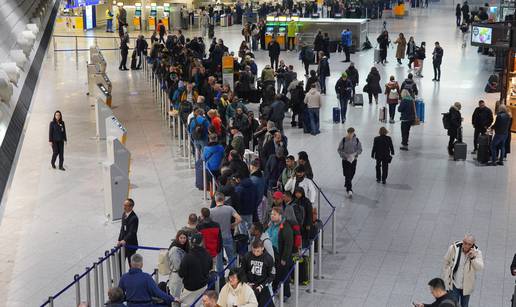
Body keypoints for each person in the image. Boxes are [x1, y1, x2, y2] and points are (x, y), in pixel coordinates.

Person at [442, 235, 484, 307]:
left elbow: (480, 267)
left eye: (469, 244)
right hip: (454, 284)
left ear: (473, 245)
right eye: (465, 243)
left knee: (464, 305)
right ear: (462, 241)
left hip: (467, 286)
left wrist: (473, 258)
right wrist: (446, 276)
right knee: (453, 305)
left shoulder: (477, 253)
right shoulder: (453, 249)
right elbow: (446, 261)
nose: (466, 246)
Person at [210, 192, 241, 275]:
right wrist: (233, 225)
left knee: (219, 259)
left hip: (217, 238)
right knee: (231, 256)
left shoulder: (211, 211)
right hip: (228, 236)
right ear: (223, 200)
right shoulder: (229, 209)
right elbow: (239, 218)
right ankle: (233, 274)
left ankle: (221, 277)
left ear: (215, 200)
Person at [178, 233, 213, 305]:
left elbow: (181, 274)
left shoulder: (187, 257)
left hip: (189, 288)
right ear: (202, 242)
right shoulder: (208, 254)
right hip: (203, 286)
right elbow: (210, 268)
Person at [269, 207, 294, 302]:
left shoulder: (285, 227)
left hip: (282, 256)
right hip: (274, 254)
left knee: (284, 276)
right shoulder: (272, 224)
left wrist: (284, 258)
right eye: (271, 214)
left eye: (274, 214)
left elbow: (288, 245)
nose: (272, 216)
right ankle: (274, 289)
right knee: (275, 274)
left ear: (280, 215)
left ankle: (286, 294)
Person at [242, 240, 276, 306]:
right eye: (253, 251)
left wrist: (262, 285)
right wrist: (246, 282)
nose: (255, 253)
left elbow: (271, 276)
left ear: (262, 248)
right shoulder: (247, 256)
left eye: (258, 251)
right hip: (249, 286)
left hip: (263, 287)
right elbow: (242, 271)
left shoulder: (268, 258)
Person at [337, 127, 362, 198]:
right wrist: (345, 156)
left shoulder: (357, 140)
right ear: (347, 133)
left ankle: (347, 183)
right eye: (349, 134)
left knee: (352, 173)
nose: (350, 135)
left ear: (354, 133)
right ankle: (349, 189)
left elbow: (360, 149)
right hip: (345, 160)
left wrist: (355, 154)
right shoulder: (344, 140)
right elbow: (339, 150)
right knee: (347, 174)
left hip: (354, 160)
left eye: (352, 134)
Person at [167, 230, 189, 306]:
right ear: (177, 238)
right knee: (175, 301)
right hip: (176, 277)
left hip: (182, 277)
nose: (183, 240)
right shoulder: (174, 249)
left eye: (184, 238)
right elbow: (177, 266)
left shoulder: (185, 248)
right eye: (181, 238)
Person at [118, 199, 139, 265]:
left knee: (132, 265)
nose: (124, 207)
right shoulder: (124, 214)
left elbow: (132, 232)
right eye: (124, 205)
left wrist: (124, 240)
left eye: (126, 205)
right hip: (123, 245)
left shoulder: (134, 218)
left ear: (131, 207)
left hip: (131, 245)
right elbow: (122, 228)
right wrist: (119, 240)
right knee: (119, 263)